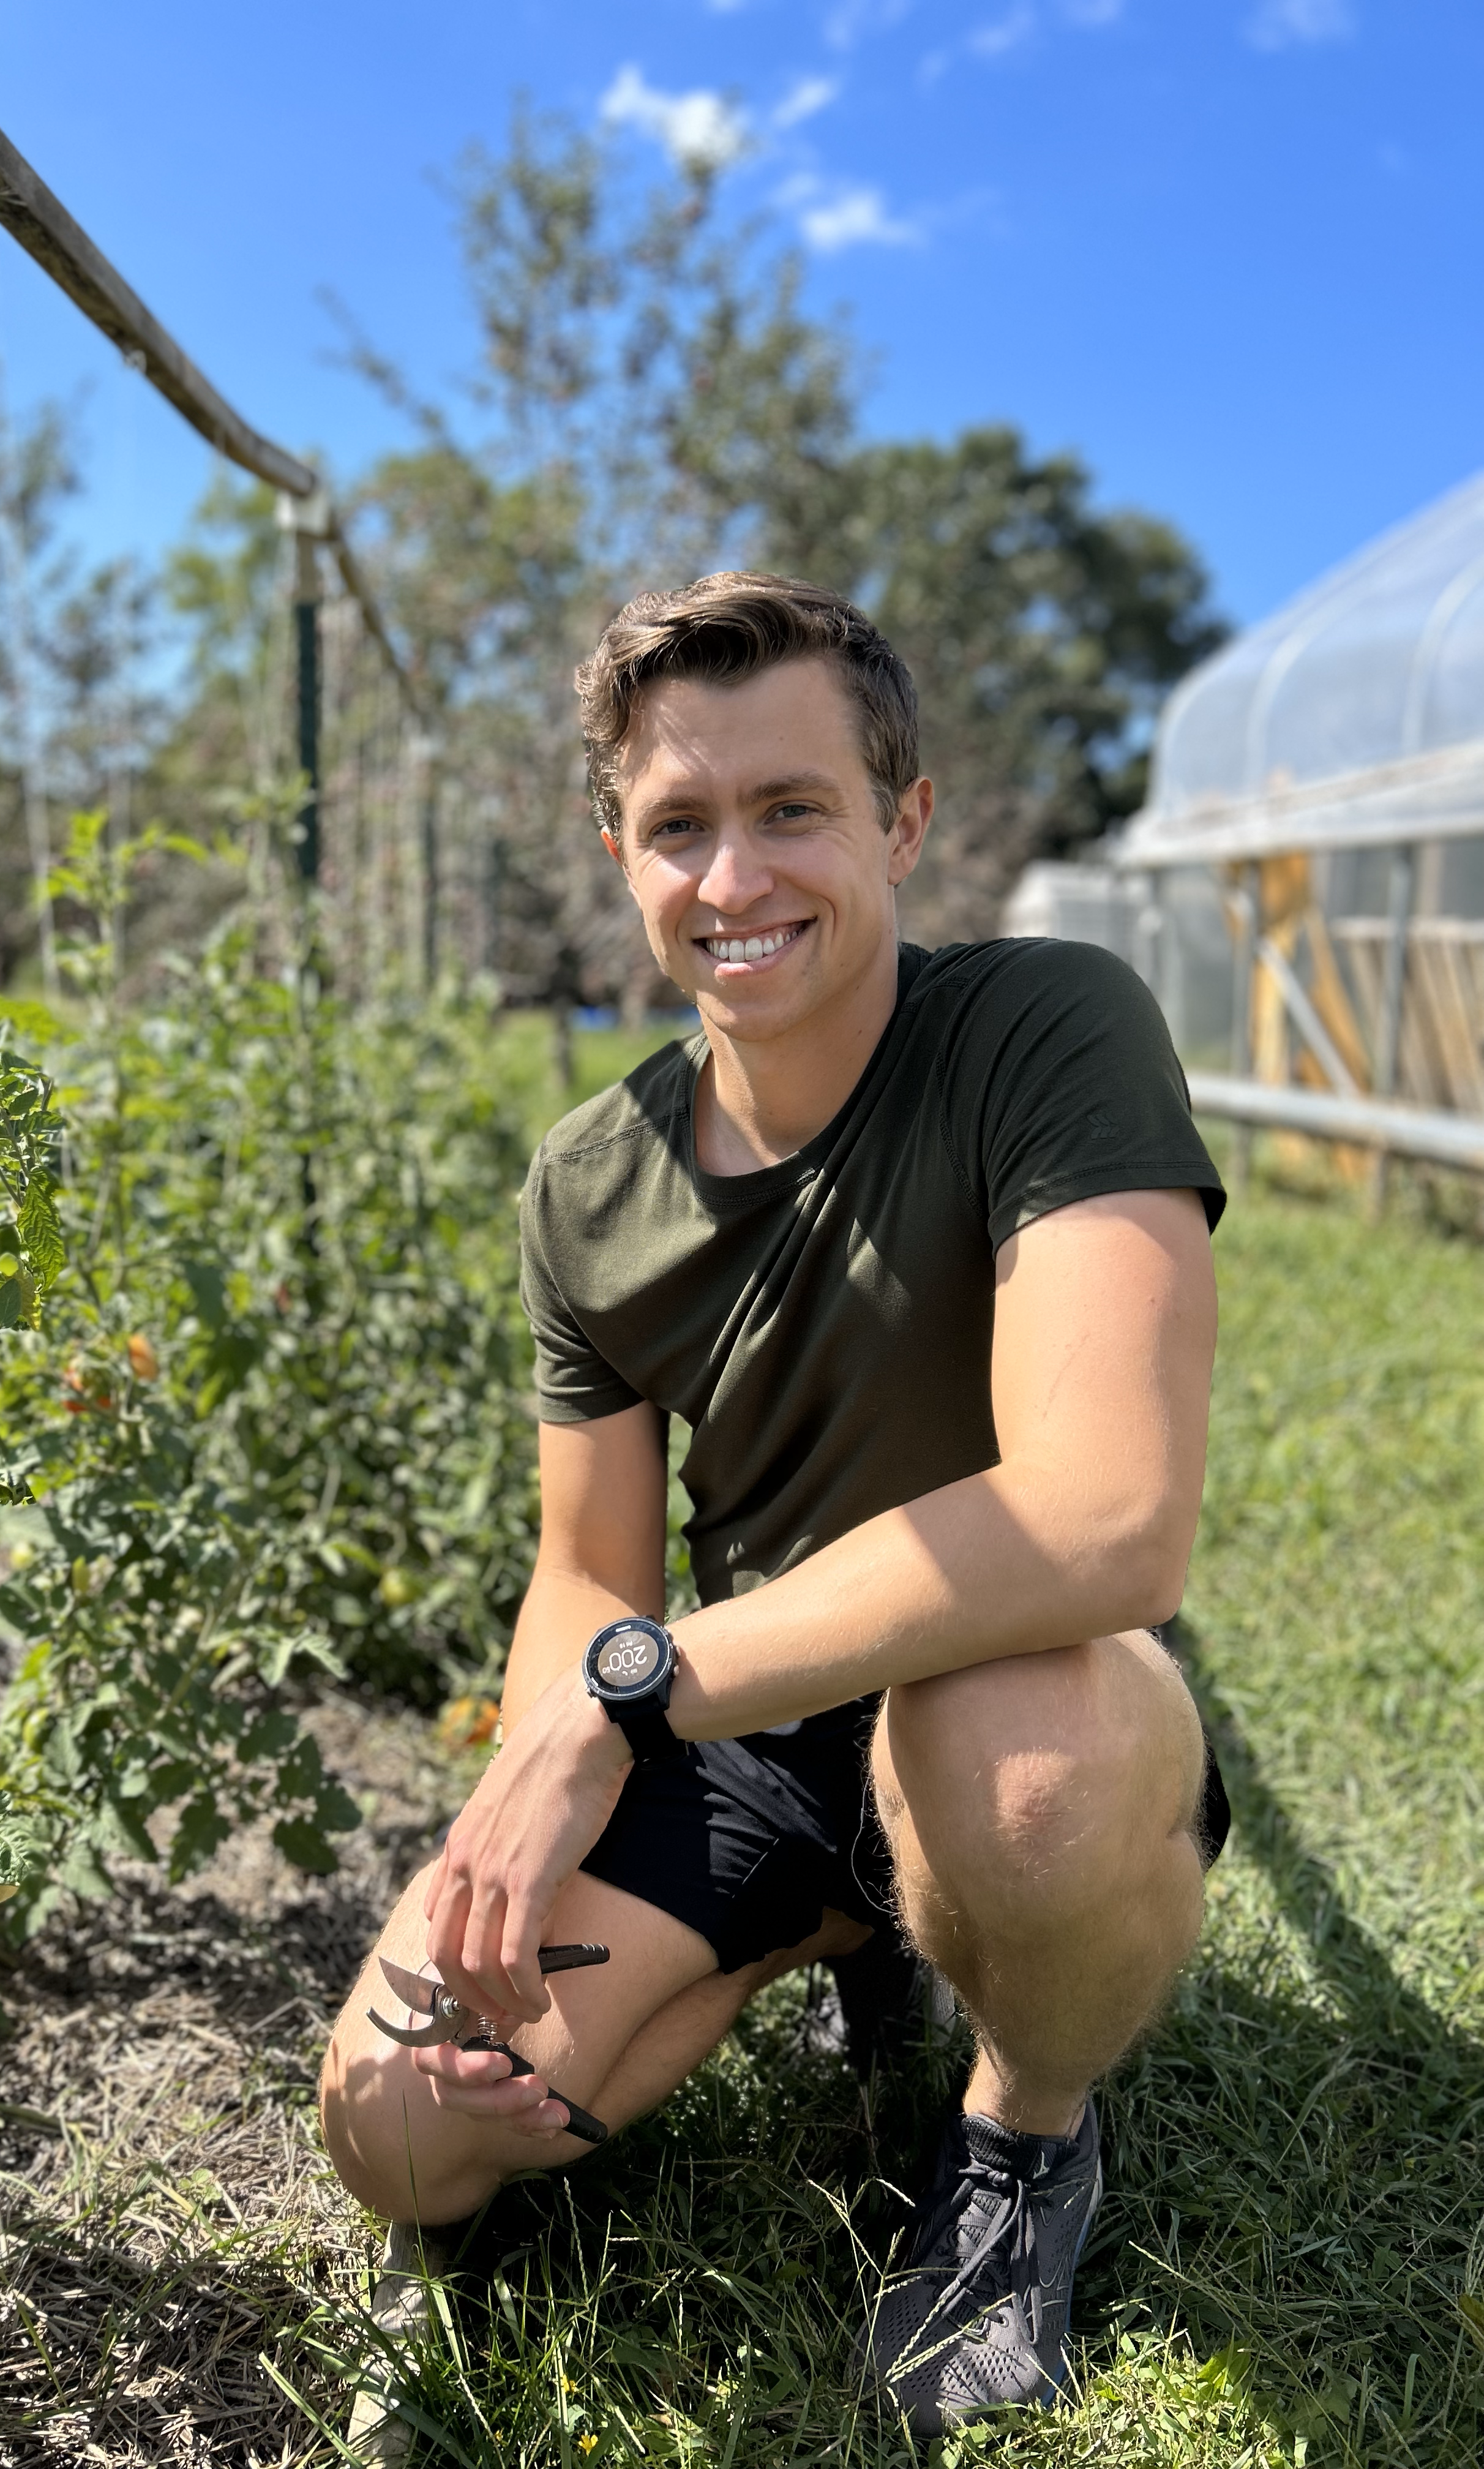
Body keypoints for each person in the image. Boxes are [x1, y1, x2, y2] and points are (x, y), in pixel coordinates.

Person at [320, 571, 1228, 2440]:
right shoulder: (591, 1187)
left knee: (1025, 1775)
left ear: (903, 820)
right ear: (621, 855)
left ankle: (1026, 2136)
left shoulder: (1040, 1034)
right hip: (737, 1723)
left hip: (1000, 1677)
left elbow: (1105, 1518)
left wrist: (629, 1690)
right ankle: (848, 1926)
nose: (733, 878)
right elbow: (588, 1569)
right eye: (679, 825)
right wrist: (527, 1793)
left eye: (791, 808)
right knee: (401, 2133)